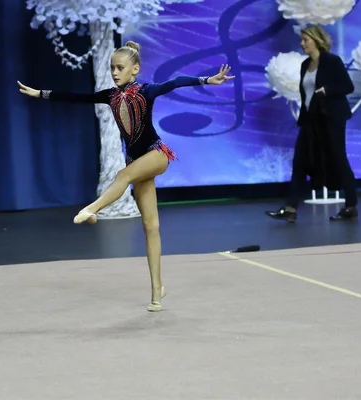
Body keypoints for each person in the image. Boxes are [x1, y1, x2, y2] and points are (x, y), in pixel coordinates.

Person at [17, 41, 234, 312]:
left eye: (120, 68)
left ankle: (92, 208)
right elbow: (77, 97)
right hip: (137, 162)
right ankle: (157, 291)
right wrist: (40, 93)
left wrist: (206, 80)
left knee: (123, 174)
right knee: (150, 226)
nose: (115, 72)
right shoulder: (109, 96)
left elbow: (176, 81)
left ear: (135, 69)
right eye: (112, 68)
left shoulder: (146, 91)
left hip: (156, 155)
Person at [265, 24, 358, 223]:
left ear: (317, 41)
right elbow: (305, 94)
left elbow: (347, 86)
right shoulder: (305, 65)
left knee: (339, 159)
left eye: (305, 40)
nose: (302, 43)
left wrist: (327, 90)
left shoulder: (332, 61)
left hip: (331, 118)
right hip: (310, 119)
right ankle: (290, 208)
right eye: (301, 40)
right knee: (300, 161)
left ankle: (350, 206)